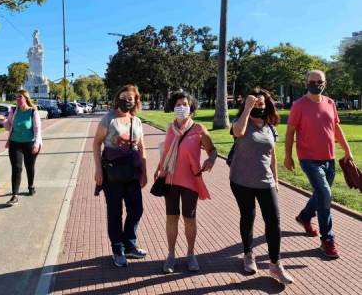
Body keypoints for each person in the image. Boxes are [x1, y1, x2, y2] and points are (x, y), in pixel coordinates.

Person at [285, 70, 353, 259]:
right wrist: (288, 156)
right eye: (312, 81)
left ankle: (305, 217)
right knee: (324, 193)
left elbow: (336, 128)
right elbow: (290, 132)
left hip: (329, 159)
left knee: (321, 194)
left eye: (319, 81)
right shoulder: (298, 105)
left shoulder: (330, 103)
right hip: (308, 159)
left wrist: (348, 150)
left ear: (325, 83)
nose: (316, 84)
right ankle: (327, 240)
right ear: (306, 83)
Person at [230, 88, 293, 285]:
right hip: (241, 181)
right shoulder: (241, 123)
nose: (260, 105)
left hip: (266, 182)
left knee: (274, 221)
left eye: (262, 103)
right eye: (256, 103)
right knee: (248, 217)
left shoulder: (270, 127)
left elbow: (272, 156)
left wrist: (276, 180)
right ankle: (248, 254)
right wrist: (247, 107)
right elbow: (238, 132)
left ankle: (275, 264)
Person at [154, 92, 217, 273]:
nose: (181, 107)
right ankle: (171, 255)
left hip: (190, 181)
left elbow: (212, 150)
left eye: (185, 104)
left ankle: (190, 254)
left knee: (189, 219)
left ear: (191, 107)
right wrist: (159, 168)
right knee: (171, 218)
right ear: (173, 107)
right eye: (178, 104)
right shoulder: (169, 128)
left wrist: (210, 160)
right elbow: (166, 152)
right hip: (170, 180)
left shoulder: (199, 129)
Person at [93, 84, 148, 267]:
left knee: (136, 209)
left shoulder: (137, 121)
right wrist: (98, 170)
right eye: (124, 97)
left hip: (132, 172)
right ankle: (117, 249)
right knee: (115, 212)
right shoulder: (108, 119)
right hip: (112, 174)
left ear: (135, 101)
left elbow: (141, 147)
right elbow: (96, 144)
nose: (127, 101)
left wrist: (144, 172)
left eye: (131, 98)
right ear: (118, 98)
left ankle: (129, 244)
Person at [0, 90, 42, 206]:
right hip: (15, 143)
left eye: (20, 97)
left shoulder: (33, 112)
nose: (17, 99)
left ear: (26, 98)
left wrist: (37, 144)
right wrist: (4, 121)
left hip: (30, 143)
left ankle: (31, 185)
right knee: (16, 168)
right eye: (16, 97)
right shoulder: (13, 111)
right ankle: (15, 195)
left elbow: (37, 130)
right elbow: (8, 127)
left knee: (29, 166)